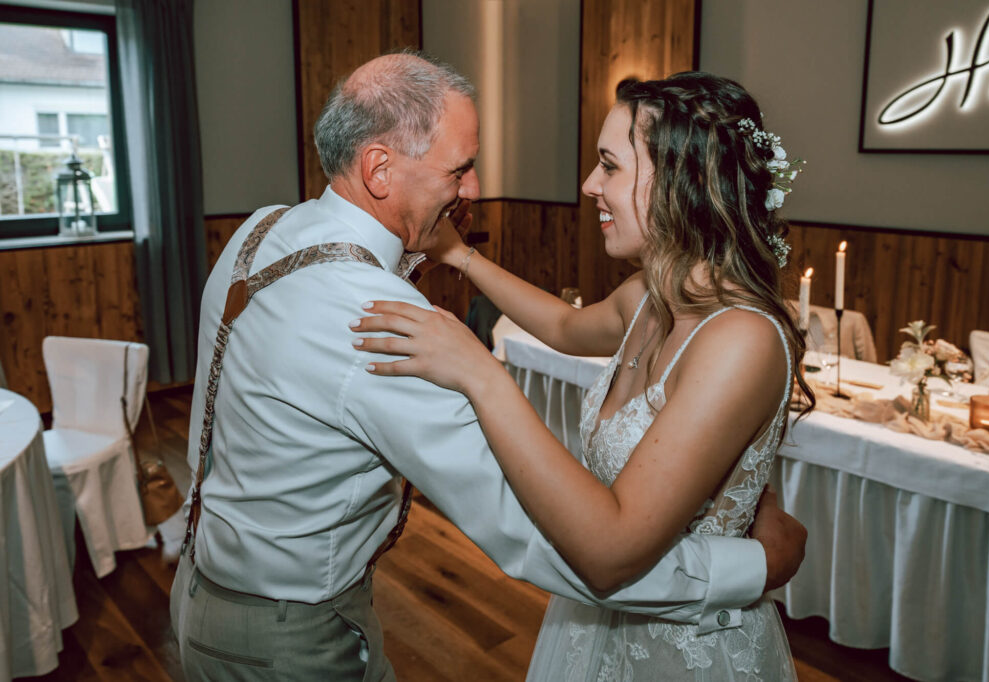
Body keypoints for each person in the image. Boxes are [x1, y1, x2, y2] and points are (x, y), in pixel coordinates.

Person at [170, 53, 806, 681]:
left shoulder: (264, 228)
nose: (473, 188)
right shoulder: (377, 314)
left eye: (608, 165)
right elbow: (526, 521)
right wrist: (751, 567)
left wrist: (459, 271)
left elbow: (564, 342)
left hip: (203, 584)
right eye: (462, 168)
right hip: (287, 639)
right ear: (380, 169)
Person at [353, 71, 813, 680]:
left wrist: (480, 372)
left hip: (684, 652)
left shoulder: (741, 340)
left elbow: (613, 550)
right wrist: (459, 256)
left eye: (611, 167)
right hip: (595, 626)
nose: (589, 184)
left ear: (685, 182)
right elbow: (565, 329)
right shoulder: (647, 297)